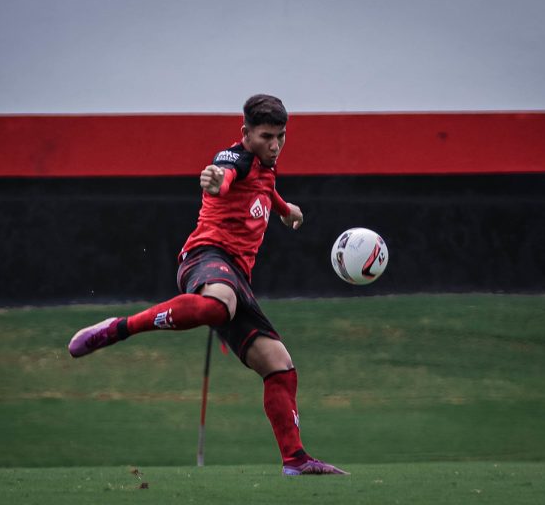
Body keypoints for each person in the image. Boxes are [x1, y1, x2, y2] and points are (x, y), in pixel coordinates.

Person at [68, 94, 348, 476]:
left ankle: (296, 460)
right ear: (245, 133)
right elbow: (226, 175)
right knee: (219, 305)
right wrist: (216, 181)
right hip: (205, 256)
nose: (275, 145)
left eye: (281, 136)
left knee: (279, 364)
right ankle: (119, 328)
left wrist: (286, 211)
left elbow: (263, 188)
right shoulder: (234, 159)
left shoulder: (266, 166)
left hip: (237, 276)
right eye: (266, 136)